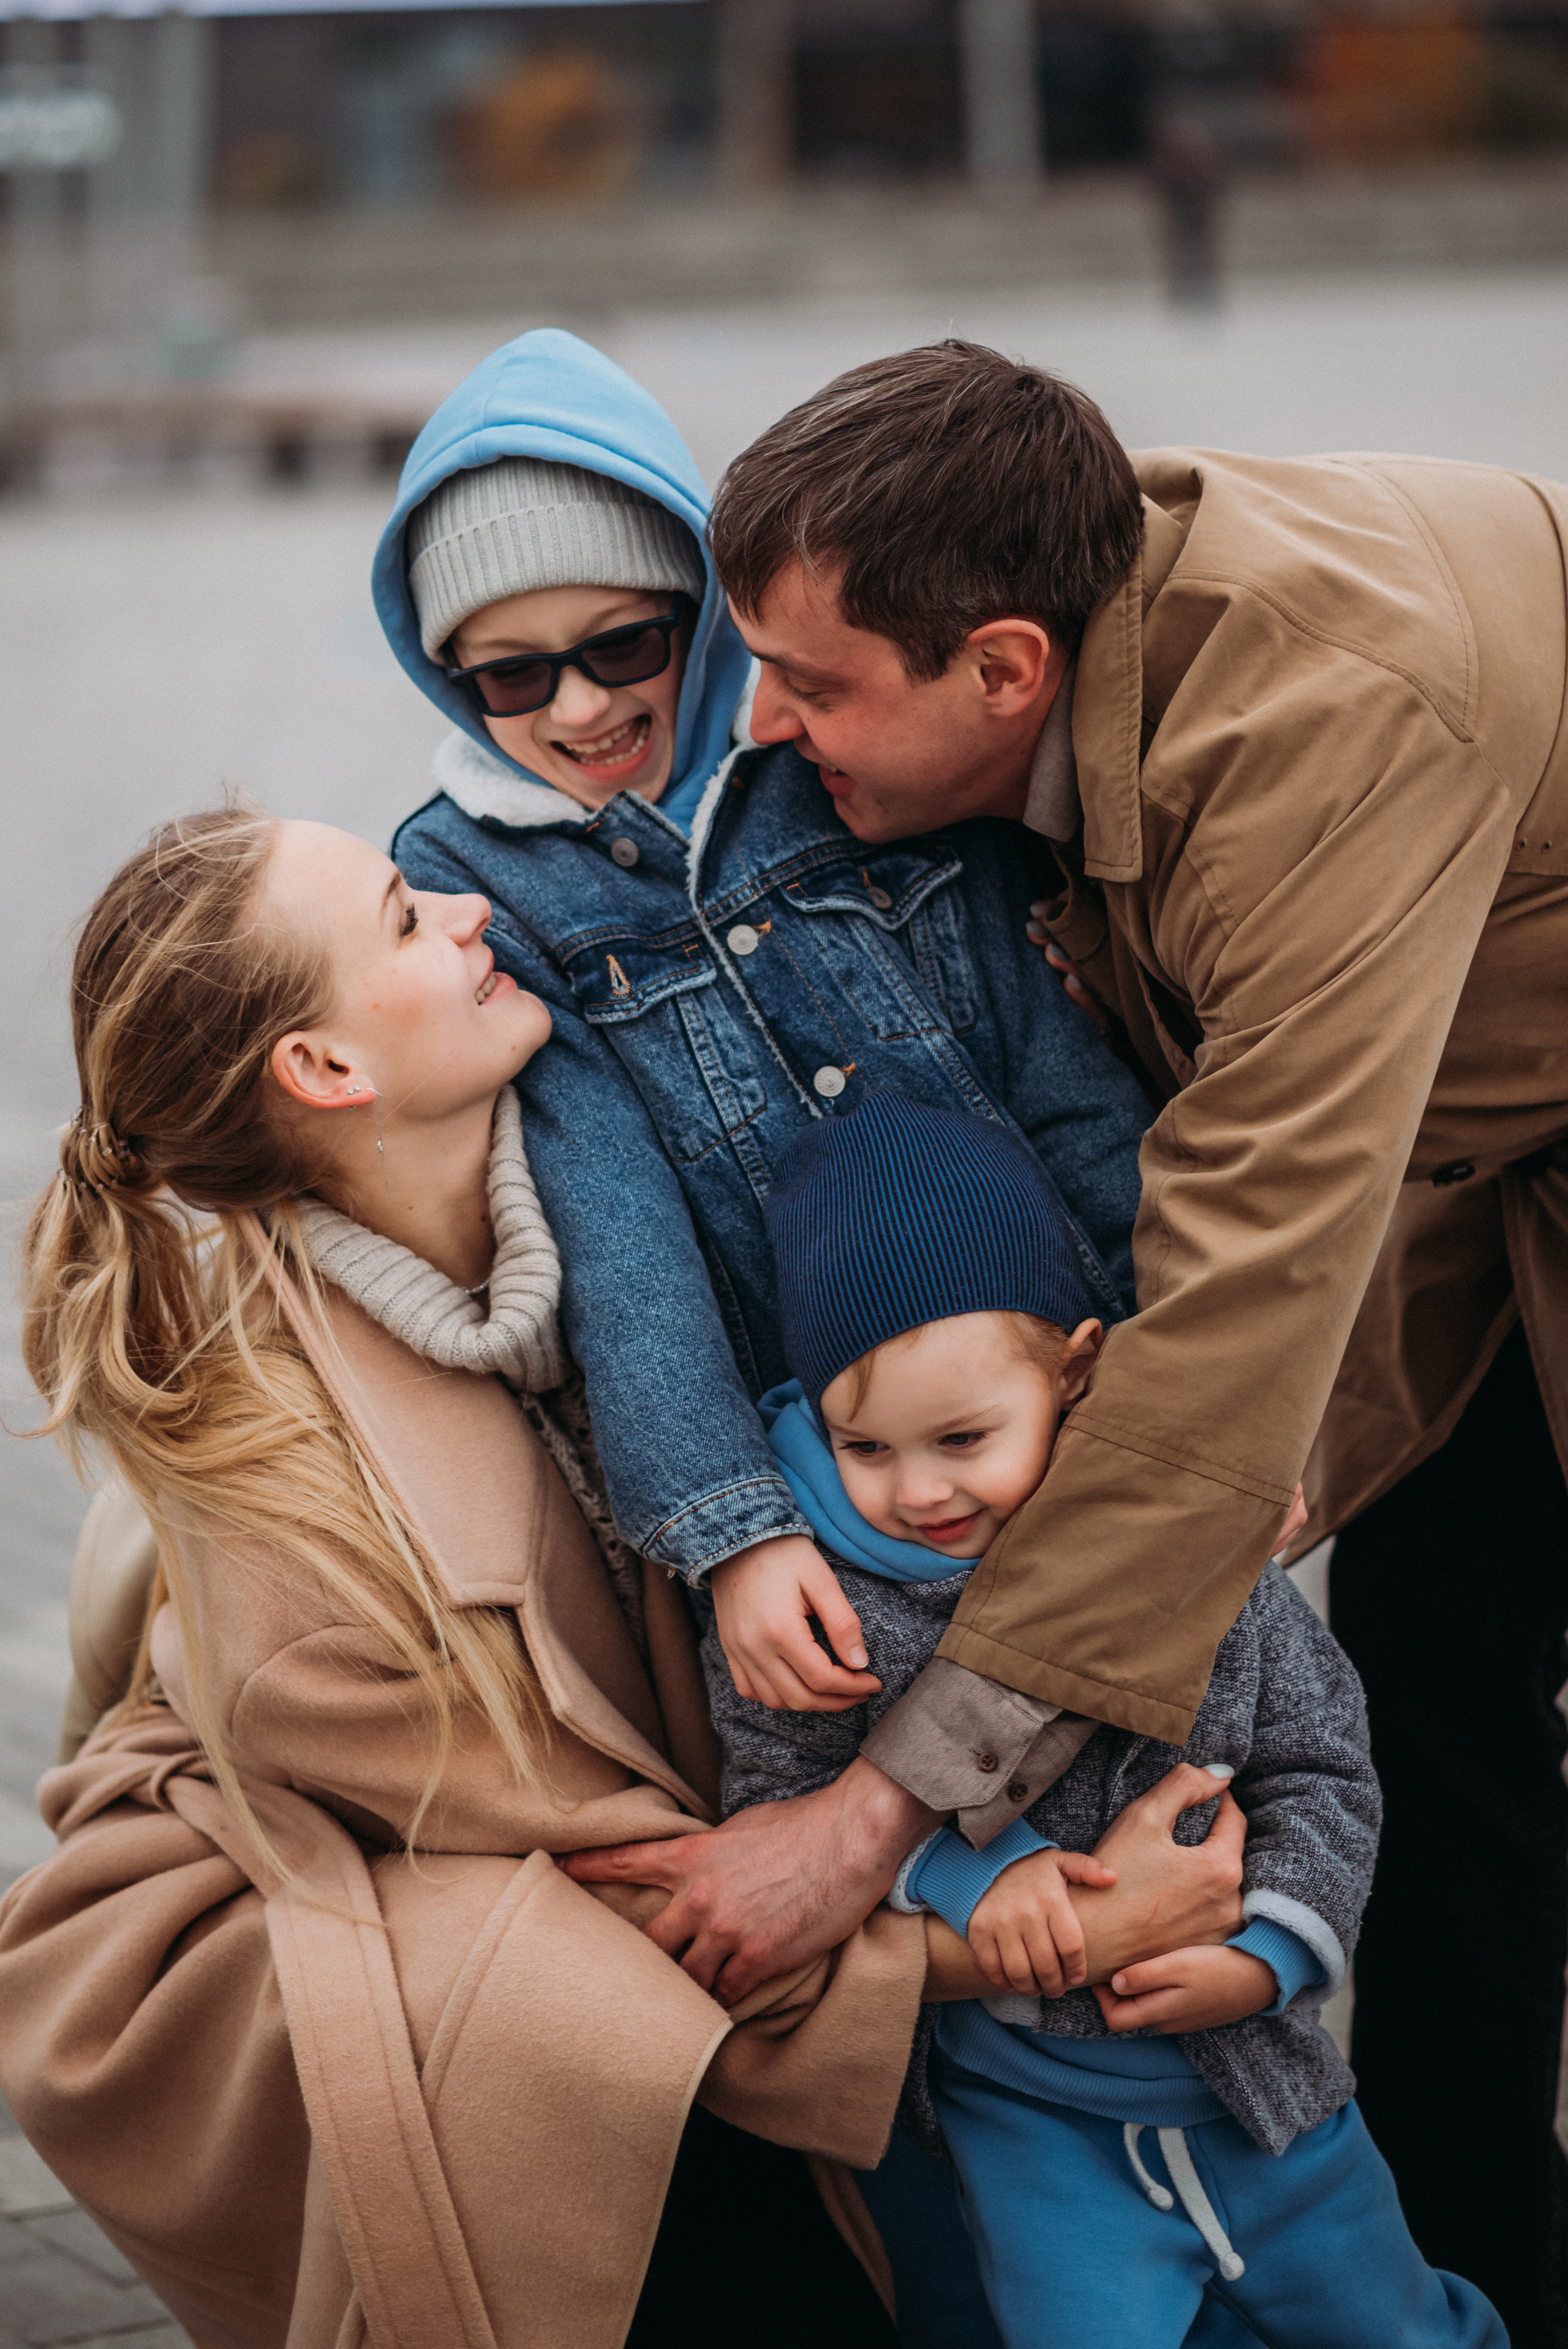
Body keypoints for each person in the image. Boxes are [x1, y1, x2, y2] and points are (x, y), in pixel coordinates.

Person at [571, 336, 1568, 2345]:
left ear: (1007, 667)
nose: (754, 726)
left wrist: (869, 1826)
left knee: (1461, 1700)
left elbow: (1226, 1317)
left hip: (1484, 1126)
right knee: (1447, 1701)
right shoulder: (1051, 601)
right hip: (1460, 1143)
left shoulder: (1321, 737)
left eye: (814, 682)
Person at [0, 802, 992, 2348]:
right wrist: (1032, 1938)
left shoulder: (622, 1174)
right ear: (328, 1075)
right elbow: (666, 1913)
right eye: (406, 917)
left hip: (733, 1881)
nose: (470, 917)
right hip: (460, 1959)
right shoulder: (303, 1518)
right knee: (635, 2157)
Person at [704, 1083, 1502, 2348]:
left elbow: (1321, 1768)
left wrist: (1268, 1956)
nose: (918, 1492)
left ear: (1075, 1372)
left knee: (1396, 2328)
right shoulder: (814, 1611)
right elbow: (780, 1813)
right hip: (1033, 2141)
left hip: (1265, 2108)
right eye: (862, 1448)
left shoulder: (1193, 1554)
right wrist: (979, 1878)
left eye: (963, 1437)